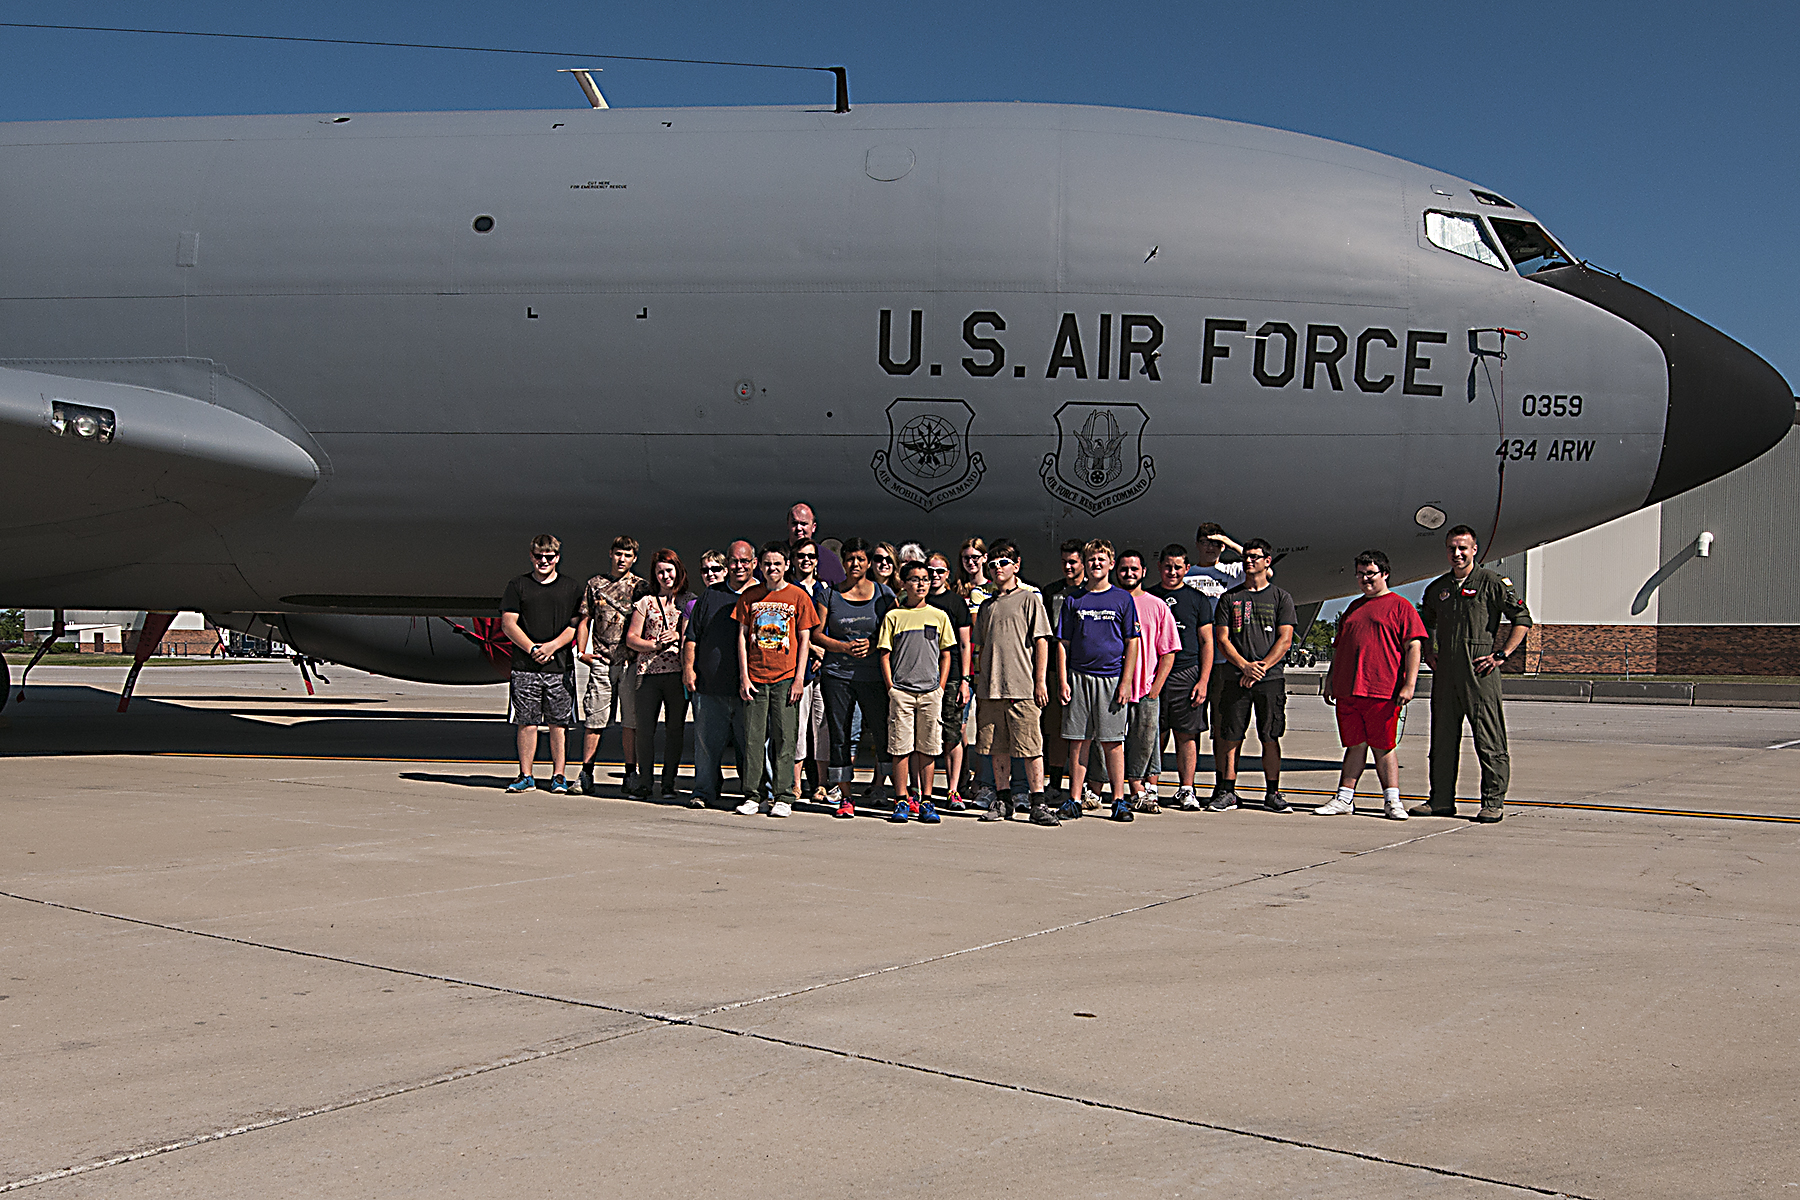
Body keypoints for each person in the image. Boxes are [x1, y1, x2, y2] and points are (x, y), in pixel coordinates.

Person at [1417, 525, 1532, 822]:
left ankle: (1493, 801)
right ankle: (1440, 800)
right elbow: (1425, 621)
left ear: (1474, 549)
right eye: (1452, 548)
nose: (1457, 554)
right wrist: (1430, 652)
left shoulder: (1491, 582)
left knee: (1488, 738)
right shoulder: (1438, 588)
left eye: (1463, 548)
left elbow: (1522, 618)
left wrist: (1501, 655)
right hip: (1446, 674)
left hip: (1479, 671)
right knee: (1442, 739)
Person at [1317, 550, 1426, 820]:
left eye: (1370, 574)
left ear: (1384, 574)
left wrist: (1409, 684)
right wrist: (1331, 680)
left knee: (1383, 747)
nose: (1365, 579)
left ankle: (1392, 801)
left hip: (1382, 689)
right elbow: (1339, 647)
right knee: (1354, 745)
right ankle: (1344, 798)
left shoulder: (1401, 606)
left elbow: (1414, 645)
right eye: (1360, 574)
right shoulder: (1353, 608)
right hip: (1348, 689)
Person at [971, 539, 1057, 825]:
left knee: (1031, 747)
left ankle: (1038, 802)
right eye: (992, 564)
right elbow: (979, 646)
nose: (997, 569)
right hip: (992, 689)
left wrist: (1040, 682)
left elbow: (1041, 641)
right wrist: (978, 679)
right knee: (998, 747)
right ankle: (1003, 799)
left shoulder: (1030, 599)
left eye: (1003, 563)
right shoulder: (987, 606)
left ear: (1016, 565)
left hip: (1022, 688)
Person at [733, 542, 821, 818]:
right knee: (753, 738)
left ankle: (783, 795)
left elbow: (805, 640)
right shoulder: (750, 597)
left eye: (778, 564)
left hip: (786, 678)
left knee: (785, 738)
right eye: (767, 564)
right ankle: (753, 794)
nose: (772, 569)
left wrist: (799, 679)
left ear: (787, 566)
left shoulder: (798, 596)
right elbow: (742, 637)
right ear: (760, 565)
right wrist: (744, 676)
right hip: (756, 678)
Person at [1056, 539, 1141, 823]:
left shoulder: (1122, 599)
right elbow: (1063, 642)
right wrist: (1064, 679)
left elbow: (1132, 642)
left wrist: (1126, 681)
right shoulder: (1074, 599)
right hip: (1079, 677)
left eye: (1101, 559)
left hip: (1111, 678)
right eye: (1091, 559)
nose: (1096, 564)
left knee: (1112, 742)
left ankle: (1118, 800)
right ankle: (1075, 798)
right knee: (1078, 740)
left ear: (1111, 564)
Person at [1210, 538, 1297, 813]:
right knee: (1231, 736)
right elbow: (1222, 639)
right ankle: (1227, 791)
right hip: (1236, 677)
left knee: (1270, 736)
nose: (1249, 561)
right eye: (1247, 557)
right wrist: (1245, 666)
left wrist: (1261, 668)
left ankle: (1272, 792)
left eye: (1256, 557)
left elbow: (1285, 640)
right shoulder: (1230, 598)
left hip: (1269, 680)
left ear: (1267, 561)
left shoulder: (1281, 597)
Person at [813, 538, 894, 818]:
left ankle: (881, 788)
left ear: (868, 562)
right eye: (850, 559)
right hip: (837, 675)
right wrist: (842, 647)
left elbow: (891, 631)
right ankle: (845, 796)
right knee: (840, 735)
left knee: (883, 733)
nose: (855, 564)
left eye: (861, 559)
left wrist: (873, 645)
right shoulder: (829, 595)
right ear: (843, 562)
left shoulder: (883, 594)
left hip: (873, 676)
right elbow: (816, 634)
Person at [499, 534, 584, 794]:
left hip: (559, 667)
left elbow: (576, 626)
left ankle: (559, 775)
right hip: (525, 667)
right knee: (527, 722)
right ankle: (526, 774)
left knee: (559, 723)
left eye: (549, 557)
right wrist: (532, 648)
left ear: (557, 557)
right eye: (539, 557)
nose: (543, 561)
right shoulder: (518, 585)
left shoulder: (571, 587)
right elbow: (508, 623)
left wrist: (552, 647)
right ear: (531, 556)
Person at [877, 561, 957, 823]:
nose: (921, 584)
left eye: (925, 578)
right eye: (914, 579)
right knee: (901, 747)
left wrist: (940, 687)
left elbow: (946, 655)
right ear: (903, 583)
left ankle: (926, 800)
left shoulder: (939, 616)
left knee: (928, 747)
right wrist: (892, 688)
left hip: (929, 692)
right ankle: (901, 799)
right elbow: (885, 655)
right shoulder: (894, 617)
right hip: (902, 692)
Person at [575, 536, 653, 797]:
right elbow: (585, 620)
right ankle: (586, 771)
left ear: (634, 559)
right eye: (618, 553)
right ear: (611, 554)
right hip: (602, 660)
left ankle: (630, 772)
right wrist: (583, 652)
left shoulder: (641, 587)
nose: (622, 559)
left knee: (630, 722)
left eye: (627, 555)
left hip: (630, 662)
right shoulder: (595, 585)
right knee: (595, 719)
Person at [683, 541, 757, 809]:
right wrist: (689, 670)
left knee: (749, 747)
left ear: (754, 563)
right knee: (706, 748)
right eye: (734, 562)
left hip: (749, 689)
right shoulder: (710, 596)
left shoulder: (762, 595)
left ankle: (753, 793)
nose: (739, 566)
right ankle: (704, 791)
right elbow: (692, 637)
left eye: (744, 561)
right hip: (710, 686)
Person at [623, 549, 695, 802]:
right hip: (649, 673)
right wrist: (652, 645)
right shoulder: (646, 602)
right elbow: (631, 638)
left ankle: (668, 783)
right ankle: (644, 782)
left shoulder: (688, 602)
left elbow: (693, 637)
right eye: (660, 571)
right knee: (645, 730)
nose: (666, 576)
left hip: (677, 673)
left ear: (679, 571)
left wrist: (676, 636)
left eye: (669, 570)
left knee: (675, 730)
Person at [1147, 544, 1215, 811]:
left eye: (1178, 567)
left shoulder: (1198, 600)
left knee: (1187, 734)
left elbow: (1207, 642)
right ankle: (1150, 787)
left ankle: (1187, 789)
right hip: (1154, 674)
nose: (1172, 572)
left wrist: (1203, 680)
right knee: (1154, 733)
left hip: (1186, 673)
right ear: (1159, 567)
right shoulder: (1149, 597)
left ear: (1187, 568)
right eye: (1167, 566)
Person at [1117, 549, 1180, 813]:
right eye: (1124, 569)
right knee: (1109, 740)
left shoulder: (1157, 606)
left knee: (1145, 740)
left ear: (1144, 572)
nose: (1129, 574)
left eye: (1134, 569)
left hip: (1144, 688)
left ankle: (1140, 789)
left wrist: (1155, 689)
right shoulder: (1110, 601)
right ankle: (1101, 788)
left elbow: (1169, 651)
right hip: (1114, 687)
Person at [926, 550, 974, 808]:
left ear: (947, 574)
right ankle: (922, 789)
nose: (934, 577)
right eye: (929, 572)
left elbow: (966, 644)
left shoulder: (956, 603)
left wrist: (965, 680)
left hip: (953, 676)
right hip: (920, 676)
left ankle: (953, 789)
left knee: (952, 733)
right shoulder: (912, 601)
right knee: (924, 735)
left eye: (940, 572)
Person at [1040, 539, 1087, 799]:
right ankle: (1055, 783)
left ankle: (1087, 784)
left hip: (1086, 668)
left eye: (1073, 562)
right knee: (1056, 728)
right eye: (1064, 562)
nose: (1068, 567)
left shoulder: (1091, 591)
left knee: (1086, 729)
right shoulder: (1051, 592)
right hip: (1055, 671)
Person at [789, 538, 832, 802]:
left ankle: (820, 784)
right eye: (801, 556)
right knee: (798, 727)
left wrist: (823, 654)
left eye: (811, 557)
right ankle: (795, 783)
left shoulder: (825, 590)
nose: (806, 560)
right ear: (793, 560)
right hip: (798, 669)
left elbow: (828, 627)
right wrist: (813, 650)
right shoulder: (788, 589)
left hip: (823, 669)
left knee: (822, 727)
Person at [786, 502, 845, 584]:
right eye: (794, 523)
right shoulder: (774, 556)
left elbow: (841, 591)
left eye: (803, 524)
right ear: (788, 524)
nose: (799, 528)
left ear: (813, 527)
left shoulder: (829, 559)